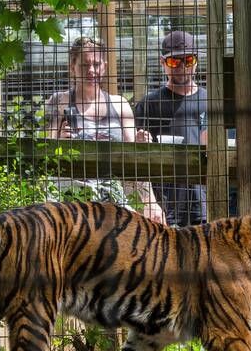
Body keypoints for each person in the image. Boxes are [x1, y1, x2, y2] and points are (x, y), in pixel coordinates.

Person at [44, 37, 166, 225]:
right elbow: (46, 156)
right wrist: (59, 142)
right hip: (72, 202)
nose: (91, 70)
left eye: (96, 64)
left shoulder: (120, 105)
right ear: (72, 67)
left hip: (114, 202)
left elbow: (134, 164)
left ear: (105, 66)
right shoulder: (59, 103)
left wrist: (151, 202)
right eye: (84, 65)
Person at [134, 30, 209, 227]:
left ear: (196, 60)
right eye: (174, 62)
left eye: (188, 60)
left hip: (204, 206)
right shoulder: (149, 104)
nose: (182, 67)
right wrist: (149, 202)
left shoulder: (212, 101)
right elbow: (138, 164)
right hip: (164, 210)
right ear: (162, 62)